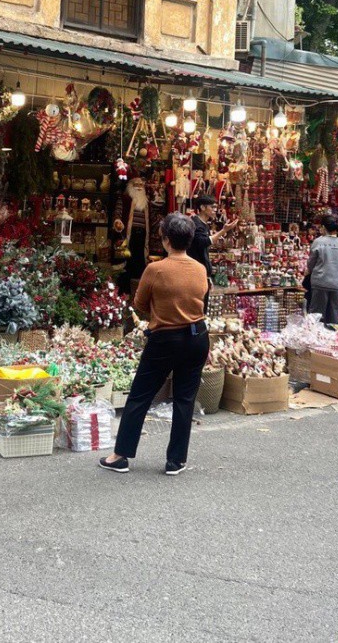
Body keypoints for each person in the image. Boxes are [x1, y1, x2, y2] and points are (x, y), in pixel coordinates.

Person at [100, 212, 209, 476]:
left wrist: (160, 307)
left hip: (165, 338)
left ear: (166, 240)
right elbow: (202, 297)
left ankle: (121, 455)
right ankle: (176, 461)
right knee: (184, 399)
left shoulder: (156, 269)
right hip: (197, 337)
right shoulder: (200, 268)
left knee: (140, 396)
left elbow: (139, 304)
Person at [307, 215, 338, 326]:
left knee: (316, 315)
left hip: (321, 281)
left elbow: (311, 263)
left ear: (324, 227)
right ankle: (335, 337)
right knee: (336, 316)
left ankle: (314, 337)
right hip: (337, 283)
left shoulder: (318, 242)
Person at [187, 195, 238, 275]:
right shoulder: (195, 224)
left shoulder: (204, 224)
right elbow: (204, 242)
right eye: (213, 207)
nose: (215, 210)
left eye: (216, 207)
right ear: (203, 207)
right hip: (195, 270)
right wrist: (224, 230)